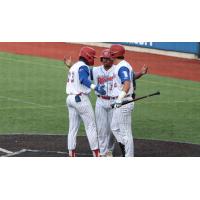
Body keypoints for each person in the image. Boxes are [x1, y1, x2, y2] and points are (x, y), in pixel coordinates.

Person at [65, 48, 148, 157]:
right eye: (103, 59)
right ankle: (103, 153)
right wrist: (72, 67)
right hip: (101, 101)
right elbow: (82, 75)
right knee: (101, 130)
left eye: (108, 58)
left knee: (113, 130)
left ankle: (110, 150)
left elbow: (130, 78)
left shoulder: (117, 68)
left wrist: (141, 73)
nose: (105, 61)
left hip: (115, 101)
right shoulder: (96, 70)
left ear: (112, 58)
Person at [66, 46, 106, 157]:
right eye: (92, 57)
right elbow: (83, 79)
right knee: (91, 126)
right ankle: (97, 153)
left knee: (72, 127)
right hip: (80, 99)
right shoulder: (83, 66)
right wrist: (96, 87)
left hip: (70, 99)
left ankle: (71, 153)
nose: (93, 59)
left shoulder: (74, 66)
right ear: (87, 56)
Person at [110, 44, 136, 157]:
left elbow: (126, 83)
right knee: (114, 127)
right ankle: (126, 152)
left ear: (114, 54)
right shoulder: (122, 65)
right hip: (122, 101)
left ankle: (129, 156)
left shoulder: (122, 67)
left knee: (126, 133)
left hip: (124, 102)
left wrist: (120, 98)